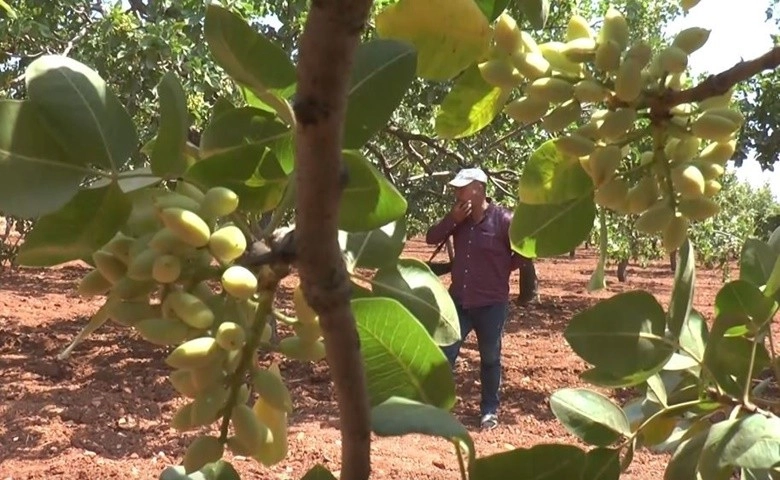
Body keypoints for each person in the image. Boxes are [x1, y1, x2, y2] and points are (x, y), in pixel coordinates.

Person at [425, 167, 528, 430]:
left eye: (462, 188)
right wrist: (452, 218)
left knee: (490, 358)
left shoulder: (505, 220)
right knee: (444, 353)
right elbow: (431, 238)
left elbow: (525, 253)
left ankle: (489, 411)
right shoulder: (459, 219)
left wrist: (500, 269)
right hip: (459, 300)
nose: (457, 193)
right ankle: (438, 407)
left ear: (478, 189)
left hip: (491, 304)